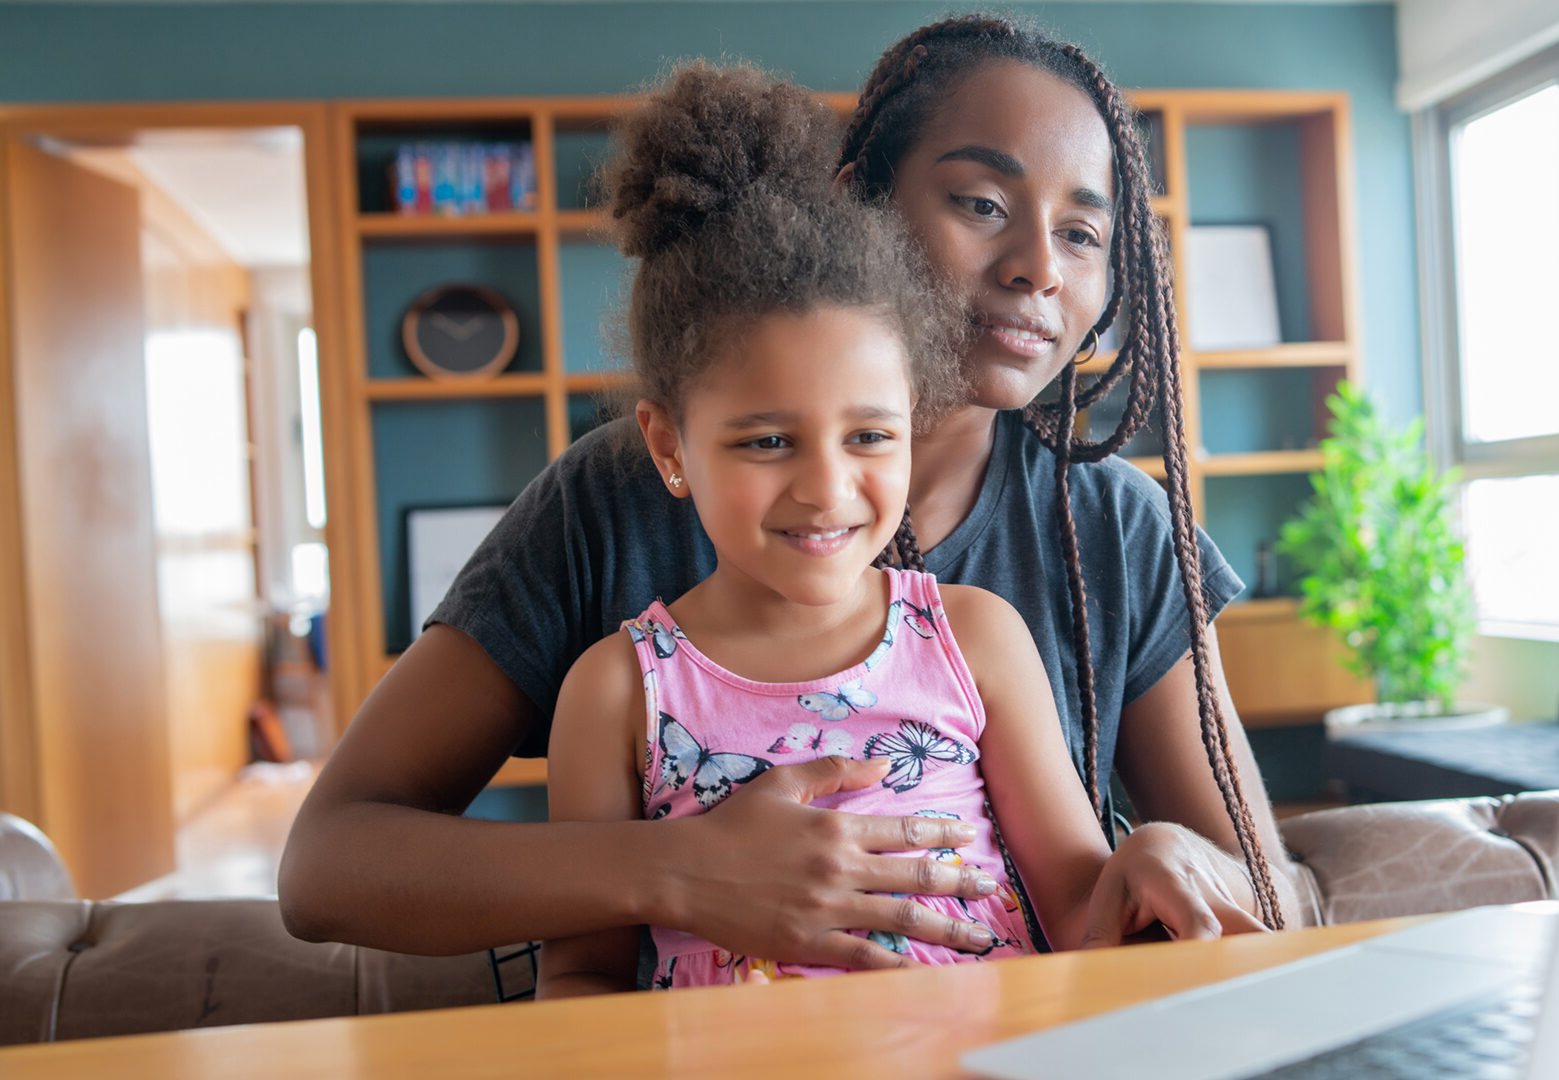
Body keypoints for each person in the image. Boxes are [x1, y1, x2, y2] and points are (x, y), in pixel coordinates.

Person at [280, 13, 1305, 969]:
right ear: (857, 198)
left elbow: (1271, 900)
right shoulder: (613, 501)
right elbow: (327, 866)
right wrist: (682, 869)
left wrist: (1171, 861)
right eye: (982, 204)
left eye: (1083, 233)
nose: (1040, 265)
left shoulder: (1110, 526)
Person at [535, 63, 1117, 995]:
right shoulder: (614, 695)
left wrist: (1159, 861)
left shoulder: (976, 640)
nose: (827, 487)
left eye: (870, 436)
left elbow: (1086, 910)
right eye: (767, 440)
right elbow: (580, 983)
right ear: (669, 446)